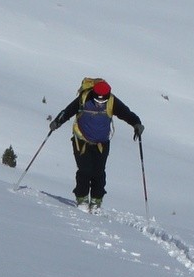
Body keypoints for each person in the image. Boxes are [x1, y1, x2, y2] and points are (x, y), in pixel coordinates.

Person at [49, 78, 143, 210]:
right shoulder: (84, 98)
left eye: (102, 100)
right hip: (81, 142)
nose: (100, 103)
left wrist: (136, 123)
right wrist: (57, 122)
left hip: (102, 144)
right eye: (97, 100)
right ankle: (82, 199)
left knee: (99, 172)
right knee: (85, 171)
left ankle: (96, 201)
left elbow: (126, 113)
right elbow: (68, 111)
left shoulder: (111, 101)